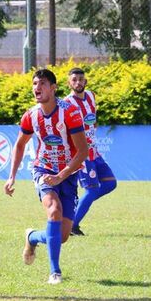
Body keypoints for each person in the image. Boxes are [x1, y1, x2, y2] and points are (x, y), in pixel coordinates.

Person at [4, 69, 88, 285]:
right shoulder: (30, 115)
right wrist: (11, 176)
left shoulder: (69, 112)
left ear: (53, 88)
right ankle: (55, 272)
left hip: (68, 174)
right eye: (34, 84)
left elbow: (82, 152)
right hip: (43, 170)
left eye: (42, 83)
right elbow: (20, 144)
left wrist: (62, 175)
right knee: (53, 211)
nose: (37, 88)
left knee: (62, 237)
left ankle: (32, 237)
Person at [65, 67, 117, 236]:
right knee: (92, 190)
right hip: (80, 153)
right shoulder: (66, 104)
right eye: (74, 80)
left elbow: (93, 118)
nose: (78, 82)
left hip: (94, 150)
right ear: (69, 83)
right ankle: (72, 225)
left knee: (110, 183)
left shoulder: (91, 96)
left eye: (81, 79)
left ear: (85, 81)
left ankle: (77, 209)